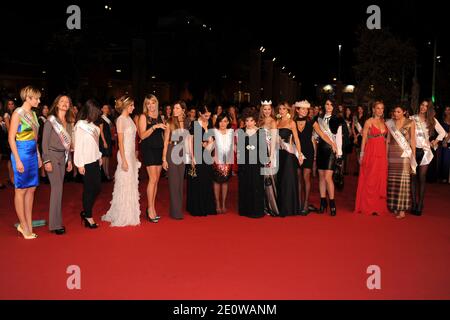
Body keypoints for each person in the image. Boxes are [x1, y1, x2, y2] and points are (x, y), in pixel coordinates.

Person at [8, 86, 42, 239]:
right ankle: (23, 225)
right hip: (21, 153)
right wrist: (17, 159)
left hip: (33, 154)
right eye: (36, 98)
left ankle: (28, 223)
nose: (39, 100)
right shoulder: (17, 113)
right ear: (28, 98)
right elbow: (11, 138)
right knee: (21, 190)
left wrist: (39, 156)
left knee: (32, 189)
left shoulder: (34, 115)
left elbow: (35, 139)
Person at [102, 96, 141, 227]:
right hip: (124, 155)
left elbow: (132, 139)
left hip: (130, 155)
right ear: (125, 106)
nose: (133, 108)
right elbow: (120, 142)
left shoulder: (130, 119)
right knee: (124, 183)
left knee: (131, 183)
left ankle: (130, 212)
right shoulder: (120, 120)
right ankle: (123, 213)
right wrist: (124, 160)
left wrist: (134, 155)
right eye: (132, 106)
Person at [294, 100, 336, 215]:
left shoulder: (311, 121)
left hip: (308, 151)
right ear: (297, 110)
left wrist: (332, 143)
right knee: (298, 178)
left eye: (306, 109)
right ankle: (298, 203)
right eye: (302, 109)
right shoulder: (292, 121)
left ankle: (306, 204)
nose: (305, 111)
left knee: (306, 177)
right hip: (296, 152)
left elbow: (322, 134)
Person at [42, 95, 74, 235]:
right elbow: (44, 143)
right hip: (52, 156)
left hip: (63, 156)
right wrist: (46, 160)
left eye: (67, 102)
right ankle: (55, 224)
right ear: (56, 104)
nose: (65, 104)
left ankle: (56, 221)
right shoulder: (51, 121)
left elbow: (69, 144)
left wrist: (70, 160)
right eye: (62, 101)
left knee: (59, 190)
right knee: (57, 189)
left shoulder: (68, 122)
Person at [409, 100, 447, 215]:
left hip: (425, 151)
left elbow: (443, 133)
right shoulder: (412, 118)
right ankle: (414, 203)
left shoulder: (431, 120)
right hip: (414, 151)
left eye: (426, 106)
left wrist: (435, 141)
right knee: (413, 177)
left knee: (422, 177)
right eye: (422, 105)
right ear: (419, 106)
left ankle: (420, 204)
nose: (423, 107)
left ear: (428, 108)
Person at [354, 101, 388, 216]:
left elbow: (386, 139)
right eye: (377, 108)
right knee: (370, 178)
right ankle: (367, 206)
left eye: (382, 108)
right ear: (373, 109)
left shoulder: (385, 122)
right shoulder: (369, 121)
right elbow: (364, 139)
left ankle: (377, 206)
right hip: (371, 151)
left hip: (382, 152)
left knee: (380, 178)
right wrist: (362, 154)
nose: (380, 110)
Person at [74, 99, 102, 228]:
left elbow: (96, 145)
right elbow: (78, 146)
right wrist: (79, 164)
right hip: (85, 162)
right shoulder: (80, 125)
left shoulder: (95, 127)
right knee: (89, 189)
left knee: (97, 188)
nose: (99, 113)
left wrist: (100, 156)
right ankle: (88, 216)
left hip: (95, 160)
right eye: (97, 111)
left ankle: (86, 212)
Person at [139, 94, 166, 222]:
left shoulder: (160, 117)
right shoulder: (144, 117)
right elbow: (142, 135)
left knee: (156, 181)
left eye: (153, 102)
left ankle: (152, 208)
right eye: (148, 103)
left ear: (156, 103)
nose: (151, 105)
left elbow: (164, 135)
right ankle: (150, 208)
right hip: (148, 148)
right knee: (153, 178)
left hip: (159, 148)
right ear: (146, 105)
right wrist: (155, 127)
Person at [386, 105, 416, 219]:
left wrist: (413, 157)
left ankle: (402, 209)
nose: (396, 114)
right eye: (394, 112)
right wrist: (386, 155)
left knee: (403, 181)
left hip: (404, 155)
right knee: (393, 181)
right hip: (392, 154)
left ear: (404, 112)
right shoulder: (390, 123)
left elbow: (413, 140)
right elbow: (388, 140)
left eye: (398, 112)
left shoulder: (410, 122)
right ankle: (395, 206)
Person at [186, 105, 216, 216]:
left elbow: (213, 139)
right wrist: (192, 157)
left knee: (207, 180)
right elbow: (190, 141)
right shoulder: (195, 124)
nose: (207, 117)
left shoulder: (210, 123)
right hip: (197, 154)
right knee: (197, 180)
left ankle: (207, 207)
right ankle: (197, 207)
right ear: (200, 113)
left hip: (207, 155)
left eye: (209, 115)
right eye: (205, 115)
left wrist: (210, 144)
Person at [162, 101, 190, 219]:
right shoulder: (169, 122)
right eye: (174, 108)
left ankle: (178, 209)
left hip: (183, 151)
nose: (174, 110)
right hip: (172, 149)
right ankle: (175, 212)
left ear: (183, 110)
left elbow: (188, 140)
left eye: (177, 108)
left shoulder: (187, 122)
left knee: (180, 182)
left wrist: (190, 156)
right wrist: (164, 158)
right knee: (174, 182)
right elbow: (166, 141)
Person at [238, 109, 267, 218]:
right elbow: (239, 150)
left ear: (255, 121)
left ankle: (256, 210)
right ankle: (245, 210)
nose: (249, 123)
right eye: (247, 121)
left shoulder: (261, 132)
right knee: (245, 185)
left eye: (251, 121)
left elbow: (264, 150)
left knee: (256, 185)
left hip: (257, 163)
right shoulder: (241, 131)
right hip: (244, 163)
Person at [316, 99, 343, 216]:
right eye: (327, 104)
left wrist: (339, 152)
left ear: (334, 106)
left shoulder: (337, 119)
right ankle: (323, 202)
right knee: (321, 177)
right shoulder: (319, 119)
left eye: (331, 104)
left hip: (331, 149)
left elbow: (338, 137)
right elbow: (316, 134)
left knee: (328, 177)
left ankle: (332, 203)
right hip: (321, 148)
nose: (329, 106)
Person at [276, 102, 303, 216]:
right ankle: (280, 207)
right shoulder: (277, 122)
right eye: (280, 109)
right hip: (278, 154)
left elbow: (296, 139)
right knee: (280, 180)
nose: (281, 111)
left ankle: (289, 208)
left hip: (288, 154)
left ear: (288, 110)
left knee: (288, 180)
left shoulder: (291, 122)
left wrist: (300, 154)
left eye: (284, 109)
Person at [258, 100, 279, 216]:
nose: (267, 111)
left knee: (269, 180)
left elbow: (274, 141)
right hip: (261, 152)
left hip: (270, 153)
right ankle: (264, 206)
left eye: (268, 109)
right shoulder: (260, 121)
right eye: (264, 109)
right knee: (262, 180)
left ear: (271, 110)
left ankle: (272, 207)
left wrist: (270, 156)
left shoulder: (273, 122)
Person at [212, 113, 234, 213]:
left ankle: (224, 204)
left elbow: (234, 146)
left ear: (228, 122)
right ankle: (217, 204)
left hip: (228, 161)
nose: (222, 123)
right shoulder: (214, 131)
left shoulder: (231, 132)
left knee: (225, 182)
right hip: (216, 160)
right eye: (221, 121)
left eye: (225, 121)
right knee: (216, 182)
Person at [99, 104, 114, 181]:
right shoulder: (101, 118)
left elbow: (111, 128)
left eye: (107, 108)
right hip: (103, 139)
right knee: (104, 157)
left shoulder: (109, 118)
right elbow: (101, 131)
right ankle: (104, 175)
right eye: (104, 108)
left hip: (108, 138)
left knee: (107, 157)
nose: (105, 109)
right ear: (102, 109)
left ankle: (107, 173)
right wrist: (104, 142)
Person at [352, 105, 367, 175]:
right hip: (356, 137)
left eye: (361, 109)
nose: (360, 110)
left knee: (362, 153)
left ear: (363, 110)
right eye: (359, 109)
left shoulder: (365, 118)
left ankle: (361, 170)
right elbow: (353, 127)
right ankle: (358, 170)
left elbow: (364, 128)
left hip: (362, 137)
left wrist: (357, 136)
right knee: (357, 153)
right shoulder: (355, 117)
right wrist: (355, 136)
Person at [438, 106, 450, 183]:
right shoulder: (441, 120)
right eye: (446, 109)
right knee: (442, 159)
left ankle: (446, 177)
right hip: (442, 142)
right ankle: (442, 176)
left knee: (447, 159)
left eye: (449, 109)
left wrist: (446, 140)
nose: (447, 111)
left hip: (447, 141)